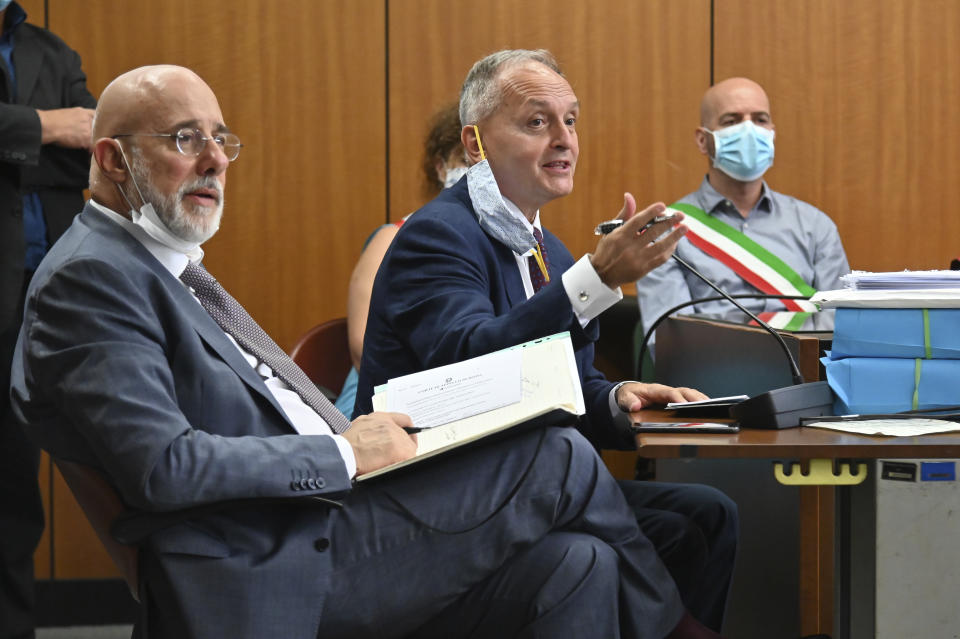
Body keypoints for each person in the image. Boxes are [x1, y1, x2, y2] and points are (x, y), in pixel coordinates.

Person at [11, 64, 718, 639]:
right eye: (186, 139)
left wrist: (610, 395)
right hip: (277, 557)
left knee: (581, 561)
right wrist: (347, 453)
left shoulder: (163, 262)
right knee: (557, 457)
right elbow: (165, 466)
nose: (217, 160)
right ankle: (679, 630)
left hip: (329, 514)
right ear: (113, 159)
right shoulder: (93, 278)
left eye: (222, 138)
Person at [356, 49, 738, 634]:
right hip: (438, 499)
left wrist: (620, 398)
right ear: (477, 144)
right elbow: (472, 367)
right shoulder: (438, 235)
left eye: (572, 120)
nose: (565, 139)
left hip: (532, 487)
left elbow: (566, 384)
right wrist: (596, 279)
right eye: (537, 122)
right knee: (585, 549)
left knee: (705, 517)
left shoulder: (548, 250)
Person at [0, 2, 96, 636]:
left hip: (42, 290)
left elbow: (92, 149)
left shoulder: (52, 50)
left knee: (15, 477)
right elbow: (62, 136)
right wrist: (43, 126)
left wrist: (21, 136)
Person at [635, 77, 849, 349]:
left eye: (760, 120)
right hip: (710, 384)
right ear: (703, 140)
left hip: (805, 383)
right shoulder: (665, 232)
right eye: (731, 121)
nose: (749, 130)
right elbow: (669, 344)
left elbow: (839, 329)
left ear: (772, 133)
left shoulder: (816, 227)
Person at [336, 102, 466, 414]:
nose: (478, 169)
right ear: (440, 166)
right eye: (465, 158)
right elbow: (361, 348)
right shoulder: (392, 238)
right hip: (380, 408)